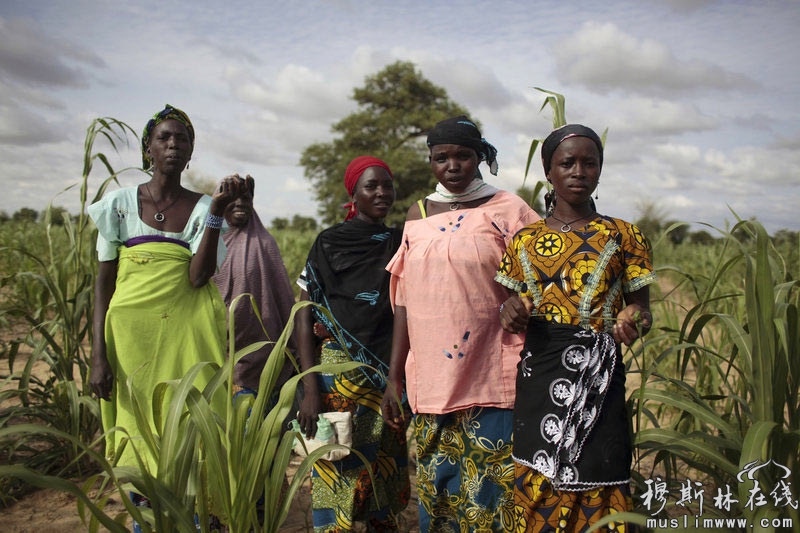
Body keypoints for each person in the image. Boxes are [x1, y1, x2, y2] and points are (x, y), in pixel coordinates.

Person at [380, 116, 540, 532]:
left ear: (480, 157)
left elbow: (545, 274)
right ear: (431, 162)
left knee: (494, 489)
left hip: (494, 373)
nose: (452, 166)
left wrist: (523, 303)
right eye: (441, 158)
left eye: (463, 156)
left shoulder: (508, 208)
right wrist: (393, 378)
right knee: (441, 490)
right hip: (432, 378)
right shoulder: (417, 215)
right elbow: (403, 302)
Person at [495, 124, 656, 532]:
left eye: (590, 162)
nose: (579, 171)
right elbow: (506, 307)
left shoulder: (624, 235)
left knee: (600, 466)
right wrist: (510, 310)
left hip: (599, 376)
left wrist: (633, 319)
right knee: (537, 473)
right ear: (549, 171)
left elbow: (643, 310)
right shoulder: (523, 240)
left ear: (600, 170)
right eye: (567, 163)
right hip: (539, 370)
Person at [88, 104, 242, 476]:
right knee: (138, 427)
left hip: (186, 333)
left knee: (192, 418)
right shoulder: (119, 205)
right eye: (164, 137)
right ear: (148, 149)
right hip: (130, 339)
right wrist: (98, 355)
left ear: (190, 153)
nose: (174, 144)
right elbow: (103, 283)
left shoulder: (206, 206)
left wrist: (218, 210)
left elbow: (198, 276)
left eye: (182, 139)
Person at [295, 156, 410, 532]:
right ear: (353, 194)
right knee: (338, 469)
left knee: (383, 474)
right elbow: (304, 311)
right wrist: (310, 389)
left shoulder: (401, 241)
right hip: (338, 376)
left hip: (389, 377)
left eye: (387, 185)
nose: (381, 193)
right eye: (371, 186)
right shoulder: (329, 243)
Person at [212, 175, 296, 402]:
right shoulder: (208, 242)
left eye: (246, 198)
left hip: (261, 353)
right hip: (216, 349)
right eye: (231, 198)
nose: (240, 203)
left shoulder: (264, 242)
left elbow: (283, 298)